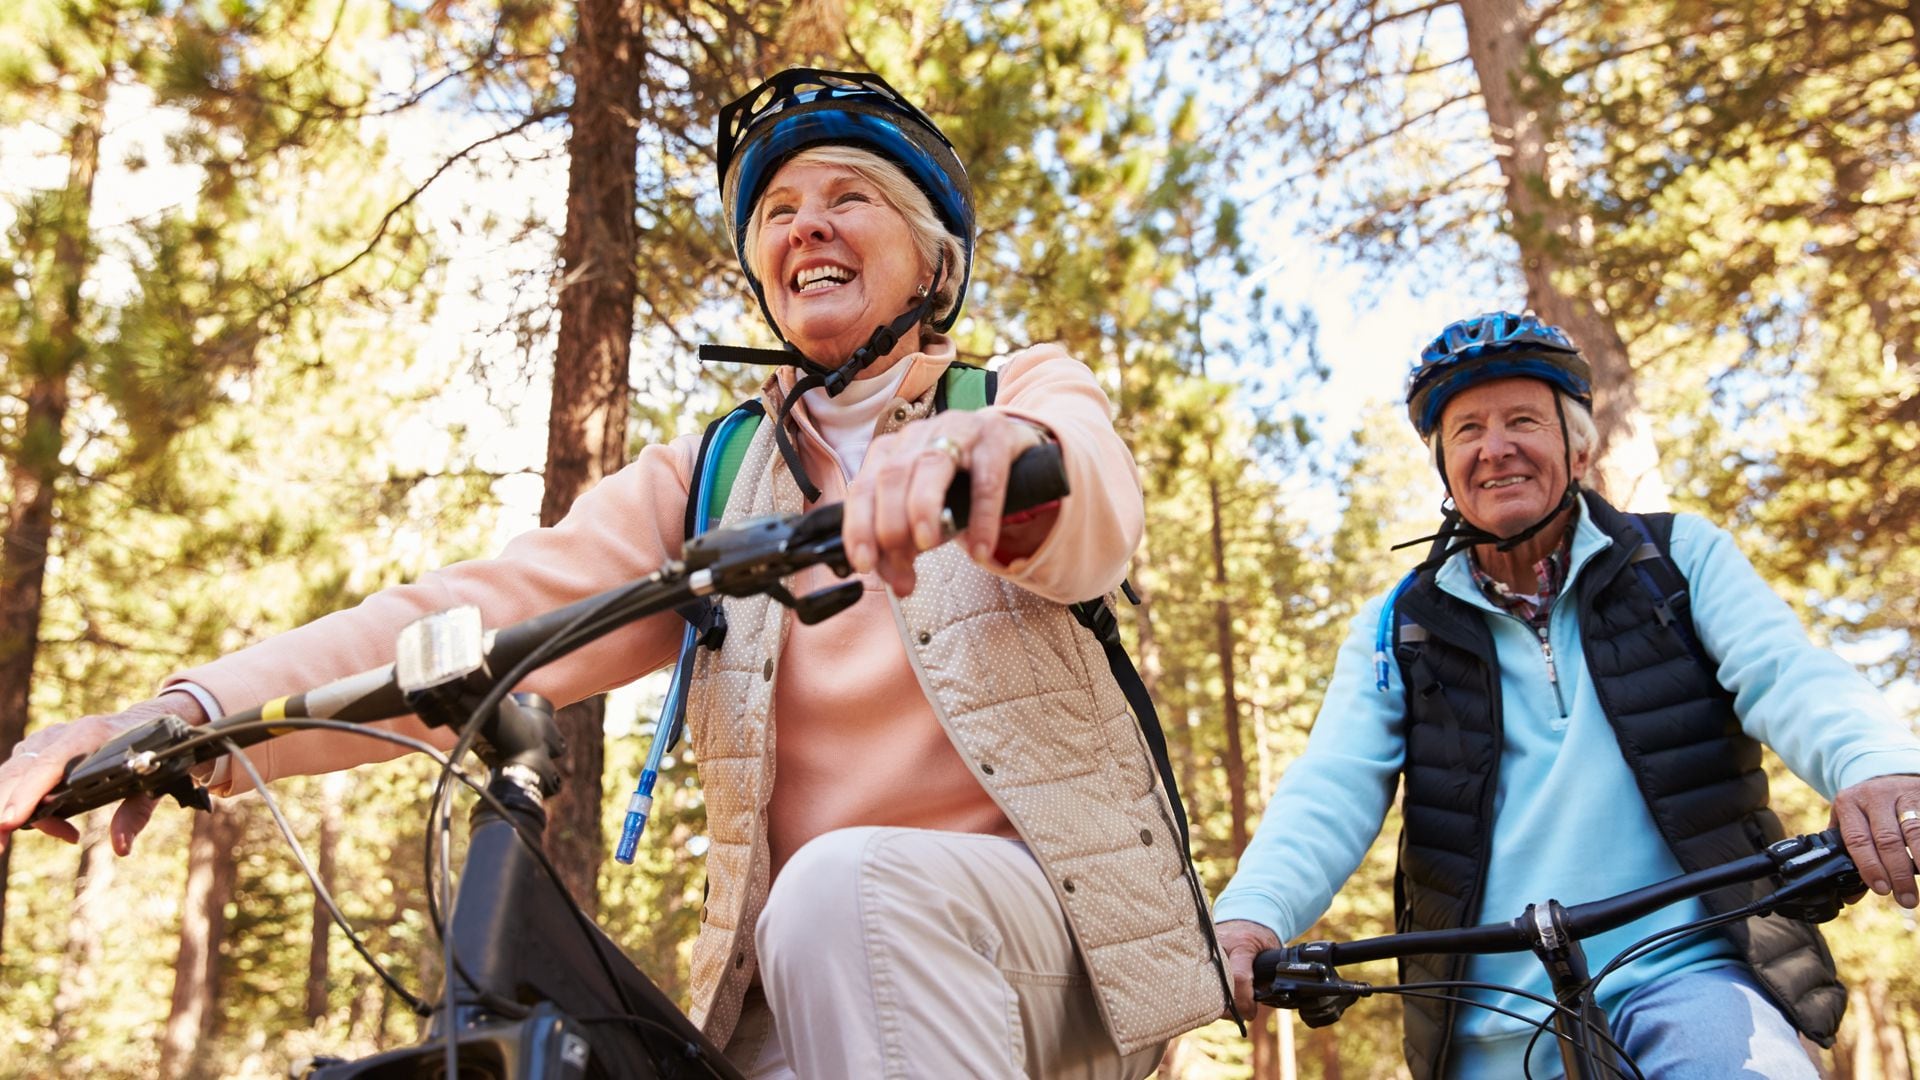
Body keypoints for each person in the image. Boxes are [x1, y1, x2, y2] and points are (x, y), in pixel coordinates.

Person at [0, 68, 1229, 1078]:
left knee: (842, 893)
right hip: (811, 995)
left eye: (850, 197)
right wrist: (186, 715)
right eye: (779, 211)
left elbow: (1091, 502)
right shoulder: (713, 474)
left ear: (933, 264)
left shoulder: (1010, 391)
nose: (806, 224)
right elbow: (472, 611)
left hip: (1056, 944)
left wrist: (991, 463)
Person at [1213, 311, 1920, 1078]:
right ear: (1444, 467)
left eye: (1523, 420)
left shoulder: (1677, 560)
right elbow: (1333, 784)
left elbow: (1786, 673)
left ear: (1577, 444)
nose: (1495, 448)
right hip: (1489, 1016)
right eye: (1466, 432)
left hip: (1691, 977)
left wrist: (1873, 764)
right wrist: (1253, 916)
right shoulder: (1400, 626)